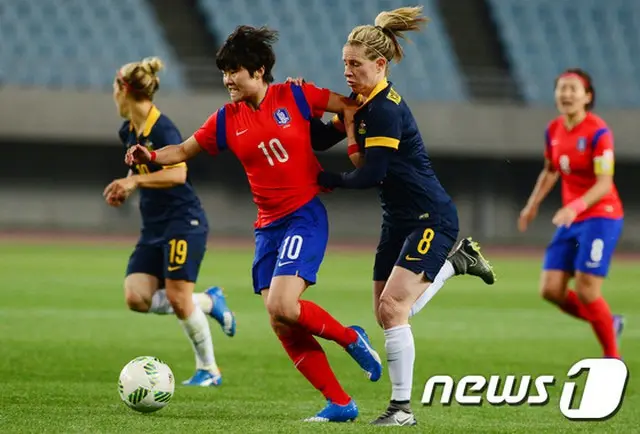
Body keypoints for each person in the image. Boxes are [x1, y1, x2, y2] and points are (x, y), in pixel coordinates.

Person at [124, 27, 383, 422]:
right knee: (280, 320)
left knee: (283, 304)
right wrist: (150, 154)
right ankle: (340, 404)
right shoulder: (226, 119)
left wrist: (350, 142)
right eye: (224, 72)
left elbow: (349, 105)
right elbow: (183, 150)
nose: (227, 79)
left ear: (259, 71)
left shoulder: (295, 95)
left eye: (235, 71)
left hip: (304, 215)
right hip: (267, 227)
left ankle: (351, 338)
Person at [312, 6, 497, 426]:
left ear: (379, 64)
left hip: (430, 217)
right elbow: (321, 138)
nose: (347, 71)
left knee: (394, 309)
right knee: (385, 311)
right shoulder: (362, 102)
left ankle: (401, 410)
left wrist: (323, 182)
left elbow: (370, 174)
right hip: (398, 217)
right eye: (344, 63)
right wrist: (290, 106)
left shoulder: (384, 111)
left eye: (355, 64)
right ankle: (457, 263)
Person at [103, 57, 236, 387]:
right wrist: (126, 184)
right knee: (136, 297)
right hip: (154, 226)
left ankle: (209, 370)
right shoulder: (128, 130)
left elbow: (178, 172)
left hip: (182, 220)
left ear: (123, 90)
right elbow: (142, 171)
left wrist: (133, 183)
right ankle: (209, 302)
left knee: (178, 299)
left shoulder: (161, 128)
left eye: (114, 90)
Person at [518, 68, 624, 359]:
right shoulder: (553, 130)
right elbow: (551, 170)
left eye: (572, 89)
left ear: (587, 97)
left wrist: (575, 206)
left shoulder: (599, 132)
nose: (566, 94)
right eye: (561, 88)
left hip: (601, 216)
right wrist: (532, 204)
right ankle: (609, 322)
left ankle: (612, 359)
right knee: (551, 290)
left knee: (588, 289)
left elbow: (605, 183)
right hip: (572, 218)